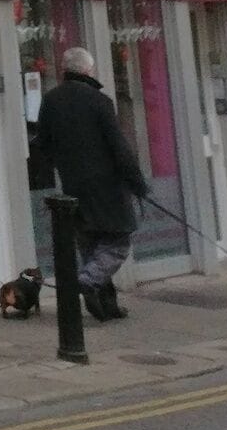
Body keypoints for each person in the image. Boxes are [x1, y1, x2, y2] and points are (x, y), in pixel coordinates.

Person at [35, 45, 148, 321]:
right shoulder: (99, 101)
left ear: (65, 70)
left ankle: (106, 305)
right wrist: (137, 182)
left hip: (73, 186)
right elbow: (118, 146)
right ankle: (87, 281)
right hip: (107, 187)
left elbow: (42, 144)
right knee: (118, 243)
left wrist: (60, 167)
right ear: (88, 70)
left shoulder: (50, 100)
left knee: (91, 246)